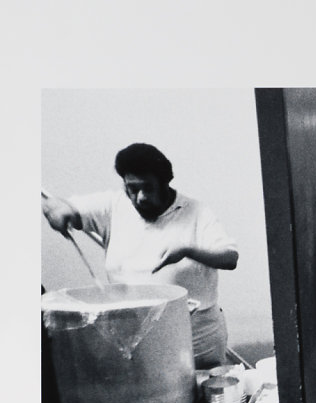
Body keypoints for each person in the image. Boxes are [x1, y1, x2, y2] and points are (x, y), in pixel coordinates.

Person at [41, 142, 239, 369]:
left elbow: (229, 257)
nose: (141, 197)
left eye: (148, 188)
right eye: (132, 189)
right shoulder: (112, 206)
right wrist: (57, 212)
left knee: (207, 396)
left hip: (196, 337)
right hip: (135, 337)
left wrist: (187, 249)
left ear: (165, 183)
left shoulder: (196, 212)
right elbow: (59, 205)